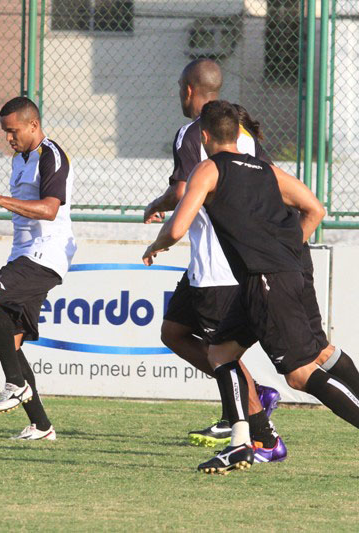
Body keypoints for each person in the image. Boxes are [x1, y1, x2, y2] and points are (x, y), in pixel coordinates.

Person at [143, 100, 359, 474]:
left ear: (206, 136)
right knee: (221, 354)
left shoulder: (208, 169)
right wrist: (290, 251)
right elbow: (315, 209)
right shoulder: (264, 169)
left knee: (300, 373)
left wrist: (156, 245)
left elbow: (178, 227)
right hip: (274, 276)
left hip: (268, 281)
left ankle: (251, 440)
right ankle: (241, 445)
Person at [0, 96, 76, 441]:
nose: (8, 139)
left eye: (12, 131)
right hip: (26, 255)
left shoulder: (52, 156)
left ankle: (15, 384)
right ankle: (42, 426)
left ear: (33, 125)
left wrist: (0, 199)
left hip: (46, 255)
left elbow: (49, 209)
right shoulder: (20, 159)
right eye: (5, 132)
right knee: (12, 344)